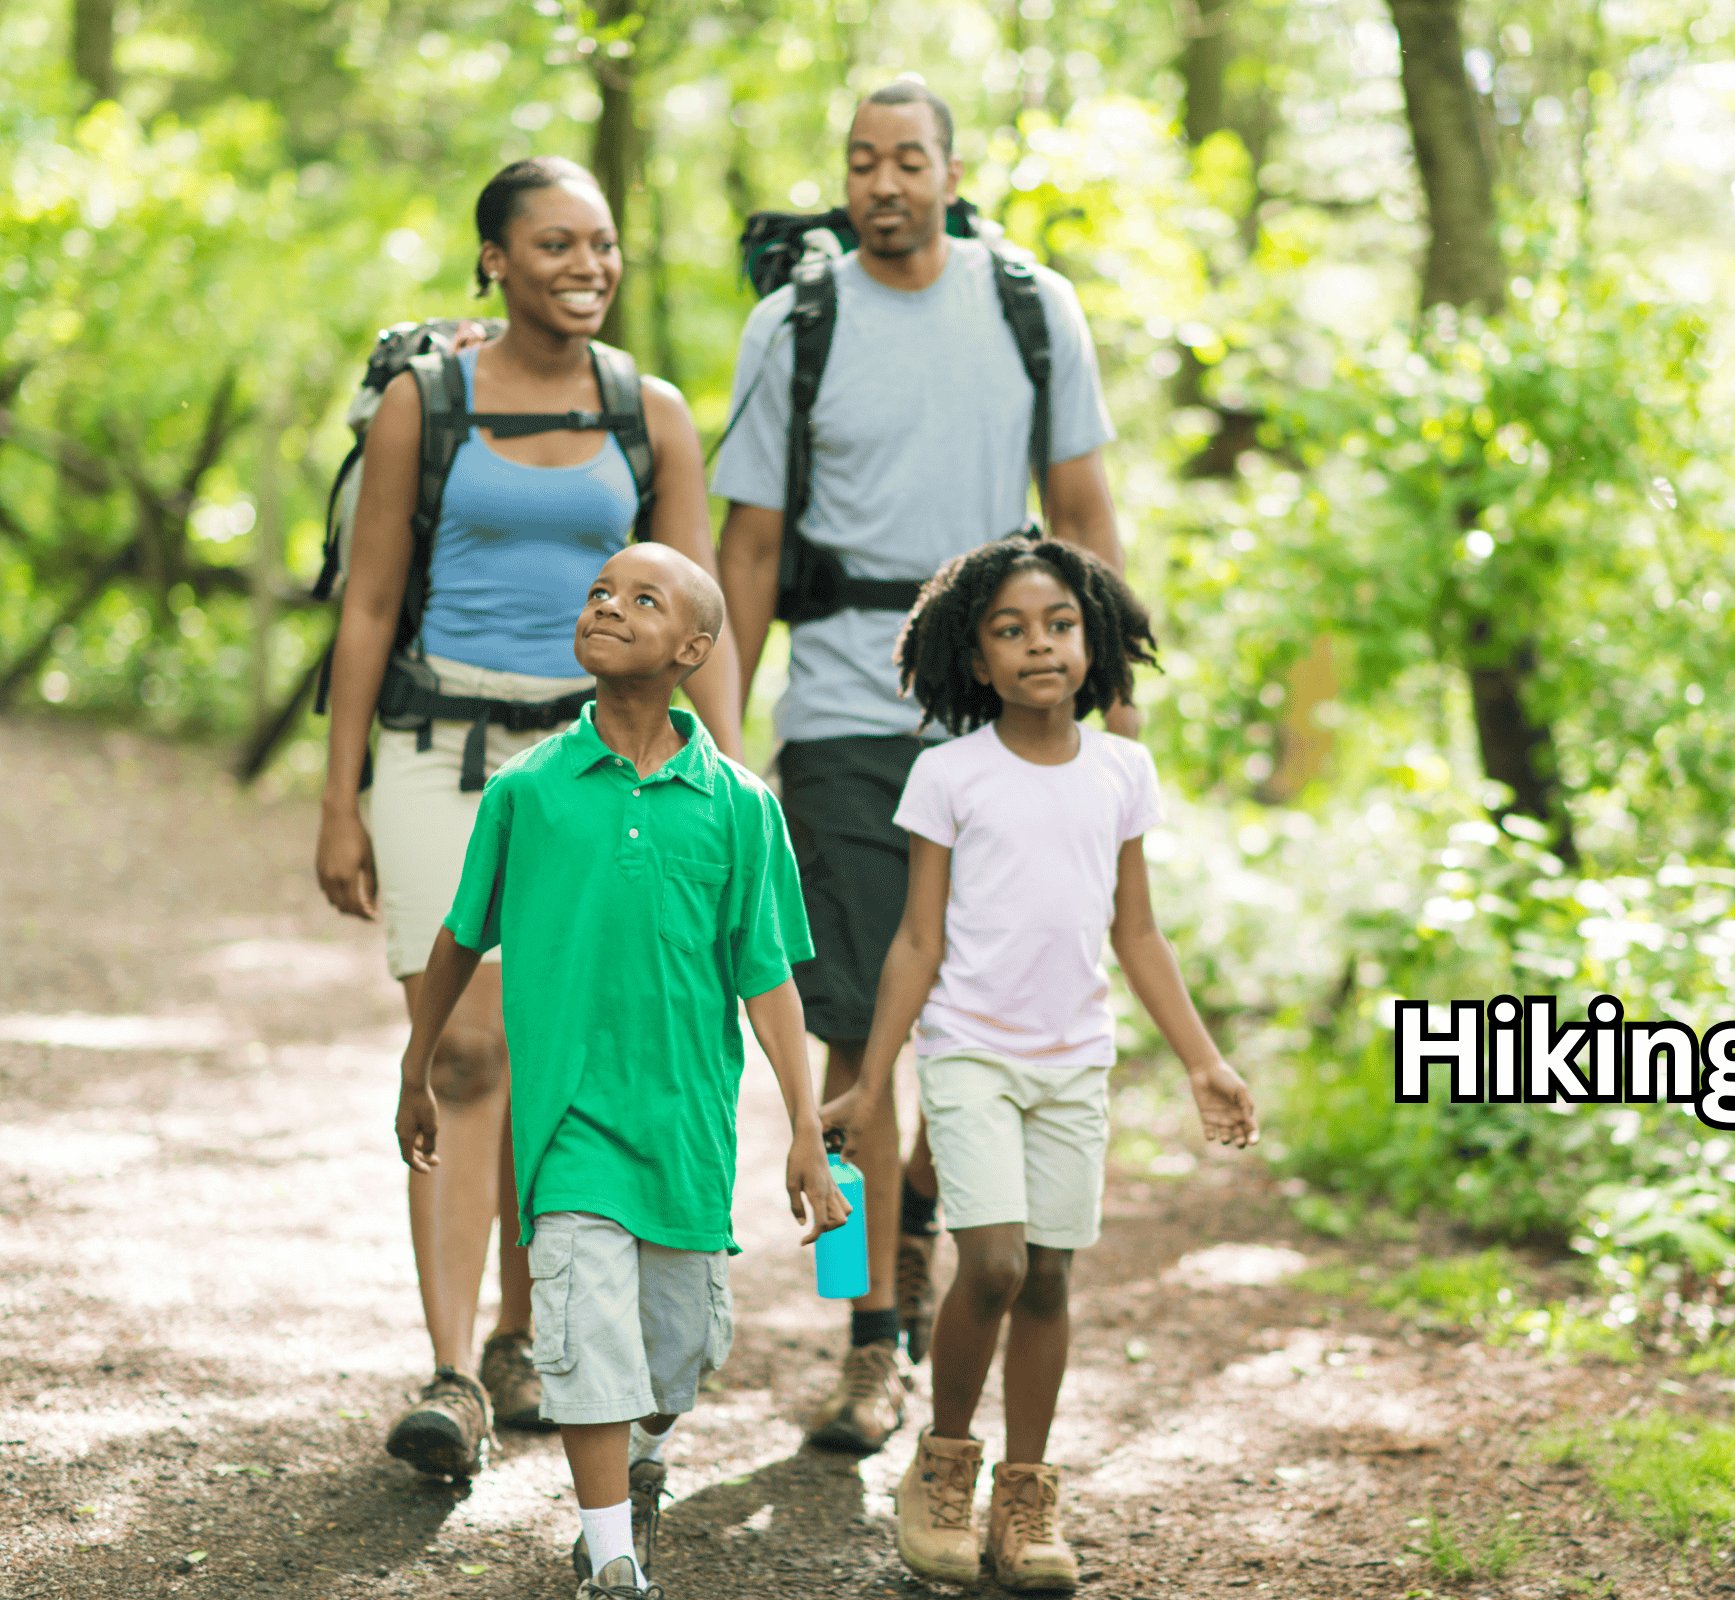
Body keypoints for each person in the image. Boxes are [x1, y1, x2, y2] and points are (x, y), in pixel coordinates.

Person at [714, 78, 1131, 1455]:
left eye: (908, 160)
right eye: (860, 162)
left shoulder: (1032, 305)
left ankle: (916, 1248)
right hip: (839, 714)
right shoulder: (795, 325)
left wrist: (1107, 696)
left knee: (981, 1018)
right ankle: (862, 1332)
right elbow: (754, 548)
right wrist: (721, 735)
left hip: (1000, 719)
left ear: (952, 174)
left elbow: (1080, 516)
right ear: (842, 181)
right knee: (855, 1035)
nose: (883, 182)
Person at [316, 154, 744, 1479]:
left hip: (593, 771)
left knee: (570, 1055)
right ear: (493, 259)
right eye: (556, 244)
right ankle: (452, 1372)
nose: (588, 267)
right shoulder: (422, 404)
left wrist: (725, 787)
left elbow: (702, 616)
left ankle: (525, 1340)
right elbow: (370, 604)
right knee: (469, 1049)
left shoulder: (650, 412)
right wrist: (339, 802)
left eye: (603, 245)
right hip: (437, 753)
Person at [395, 542, 845, 1600]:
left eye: (642, 598)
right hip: (569, 1126)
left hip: (686, 1125)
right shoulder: (528, 791)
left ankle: (644, 1463)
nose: (608, 605)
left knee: (675, 1348)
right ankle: (611, 1556)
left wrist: (804, 1124)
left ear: (692, 648)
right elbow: (461, 937)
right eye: (599, 591)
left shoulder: (740, 805)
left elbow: (768, 976)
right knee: (583, 1330)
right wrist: (416, 1064)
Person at [820, 535, 1259, 1593]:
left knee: (1053, 1276)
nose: (1037, 646)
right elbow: (915, 942)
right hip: (969, 1054)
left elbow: (1137, 933)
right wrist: (873, 1082)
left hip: (1074, 1062)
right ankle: (944, 1470)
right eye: (1009, 631)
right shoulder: (946, 774)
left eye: (1057, 625)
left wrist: (1202, 1060)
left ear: (1092, 637)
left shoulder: (1122, 771)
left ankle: (1024, 1492)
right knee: (1001, 1263)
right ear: (974, 660)